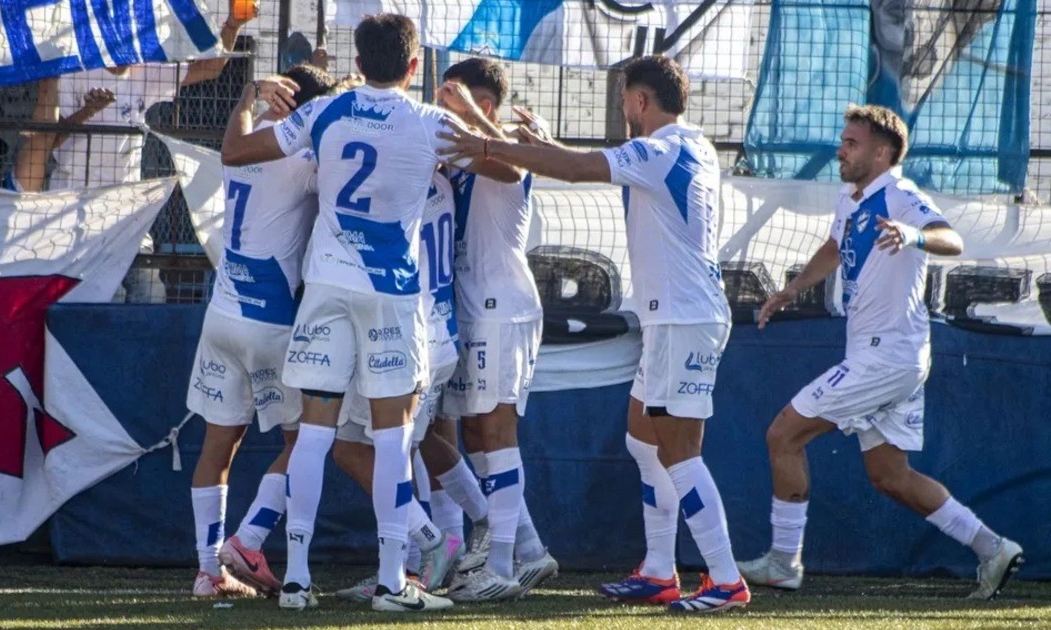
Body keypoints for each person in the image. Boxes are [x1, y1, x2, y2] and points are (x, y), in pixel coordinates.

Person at [220, 12, 520, 613]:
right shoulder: (431, 121)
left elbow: (235, 151)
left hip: (326, 285)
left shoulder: (324, 110)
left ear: (357, 63)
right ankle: (391, 581)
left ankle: (297, 581)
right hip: (391, 295)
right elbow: (509, 169)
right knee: (392, 439)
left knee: (313, 435)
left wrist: (250, 96)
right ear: (414, 65)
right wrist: (472, 116)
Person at [437, 54, 751, 613]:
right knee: (643, 441)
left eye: (624, 97)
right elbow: (576, 162)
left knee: (680, 453)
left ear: (639, 100)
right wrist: (538, 145)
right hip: (672, 316)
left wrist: (489, 140)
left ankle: (726, 579)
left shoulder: (656, 149)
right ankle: (659, 570)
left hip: (684, 318)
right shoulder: (692, 144)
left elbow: (578, 168)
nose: (622, 107)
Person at [737, 104, 1024, 600]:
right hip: (892, 356)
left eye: (851, 143)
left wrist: (913, 234)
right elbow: (834, 247)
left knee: (783, 435)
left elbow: (951, 239)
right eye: (843, 141)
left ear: (882, 153)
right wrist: (793, 289)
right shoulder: (850, 199)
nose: (840, 150)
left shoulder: (901, 194)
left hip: (885, 357)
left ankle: (783, 562)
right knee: (890, 475)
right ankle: (992, 547)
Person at [189, 65, 339, 598]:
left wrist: (250, 94)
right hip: (270, 320)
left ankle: (208, 572)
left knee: (218, 445)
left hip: (222, 313)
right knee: (306, 441)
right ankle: (248, 540)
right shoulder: (304, 157)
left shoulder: (245, 136)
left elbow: (235, 143)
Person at [434, 58, 557, 602]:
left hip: (501, 306)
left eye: (450, 96)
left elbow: (509, 167)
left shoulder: (509, 142)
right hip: (469, 307)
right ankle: (529, 550)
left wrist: (476, 119)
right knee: (477, 433)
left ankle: (501, 567)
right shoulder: (463, 147)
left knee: (497, 429)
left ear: (482, 104)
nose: (441, 106)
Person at [49, 9, 252, 302]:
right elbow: (49, 140)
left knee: (151, 295)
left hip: (126, 212)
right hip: (76, 212)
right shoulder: (75, 72)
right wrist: (87, 112)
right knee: (101, 301)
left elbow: (210, 69)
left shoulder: (144, 72)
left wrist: (232, 26)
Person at [329, 171, 465, 601]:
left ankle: (430, 542)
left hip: (404, 332)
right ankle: (404, 567)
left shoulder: (400, 183)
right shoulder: (442, 183)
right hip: (438, 331)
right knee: (401, 452)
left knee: (355, 449)